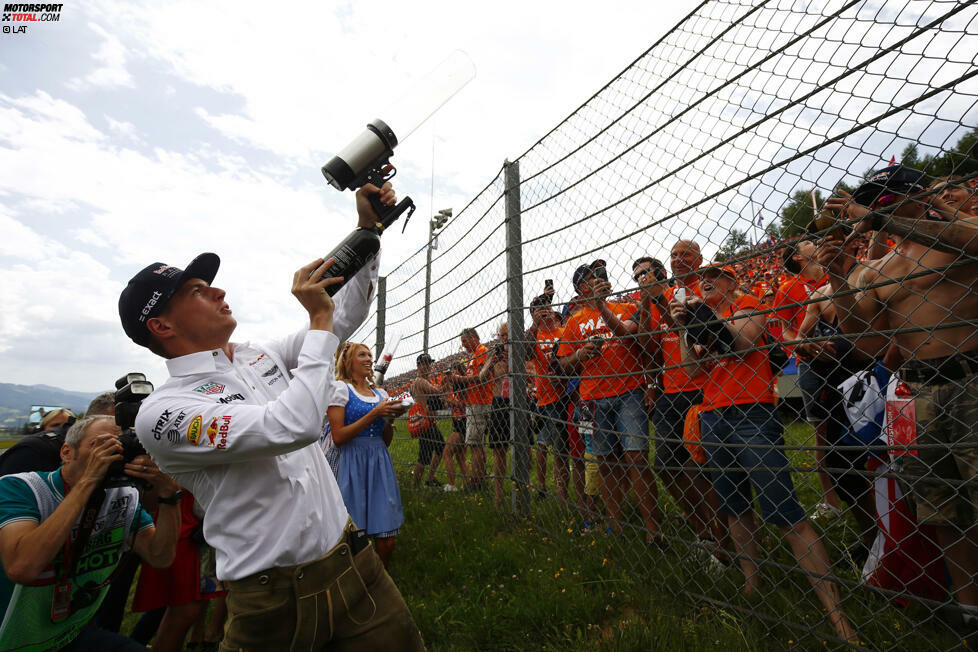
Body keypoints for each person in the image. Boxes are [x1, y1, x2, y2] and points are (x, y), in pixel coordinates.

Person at [121, 183, 424, 650]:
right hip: (272, 599)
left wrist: (367, 232)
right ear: (162, 326)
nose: (219, 289)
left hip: (352, 560)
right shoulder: (162, 413)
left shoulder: (256, 355)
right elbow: (291, 426)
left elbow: (341, 317)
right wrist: (320, 325)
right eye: (198, 291)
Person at [819, 164, 978, 625]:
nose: (880, 207)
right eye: (876, 202)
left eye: (889, 198)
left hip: (971, 376)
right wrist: (836, 277)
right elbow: (866, 342)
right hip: (913, 390)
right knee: (937, 505)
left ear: (920, 193)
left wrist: (883, 218)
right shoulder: (880, 267)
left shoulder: (958, 232)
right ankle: (971, 610)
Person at [670, 264, 855, 642]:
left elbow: (739, 342)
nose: (705, 280)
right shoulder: (705, 319)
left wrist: (700, 317)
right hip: (713, 416)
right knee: (735, 509)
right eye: (701, 277)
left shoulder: (749, 305)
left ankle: (837, 615)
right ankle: (752, 590)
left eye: (715, 275)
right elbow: (692, 372)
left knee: (786, 513)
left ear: (732, 283)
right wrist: (683, 329)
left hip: (752, 413)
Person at [0, 414, 181, 651]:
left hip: (69, 634)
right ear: (66, 453)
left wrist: (169, 496)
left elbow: (160, 557)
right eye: (101, 445)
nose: (112, 454)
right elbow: (23, 567)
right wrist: (87, 483)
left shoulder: (122, 496)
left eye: (120, 446)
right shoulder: (21, 488)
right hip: (11, 638)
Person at [557, 260, 662, 544]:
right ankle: (616, 524)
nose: (600, 279)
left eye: (601, 275)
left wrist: (650, 385)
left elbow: (645, 348)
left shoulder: (627, 308)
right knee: (605, 463)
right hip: (591, 399)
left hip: (630, 392)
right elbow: (563, 364)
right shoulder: (574, 322)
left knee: (637, 458)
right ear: (581, 288)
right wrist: (579, 356)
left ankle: (653, 528)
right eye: (593, 277)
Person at [634, 246, 728, 561]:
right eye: (673, 255)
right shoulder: (665, 295)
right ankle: (702, 530)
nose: (678, 259)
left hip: (705, 388)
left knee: (705, 468)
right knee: (664, 464)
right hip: (671, 392)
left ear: (699, 260)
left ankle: (723, 540)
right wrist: (650, 300)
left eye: (686, 254)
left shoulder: (709, 291)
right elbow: (649, 347)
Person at [327, 342, 407, 569]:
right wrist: (375, 413)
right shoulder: (340, 389)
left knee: (387, 539)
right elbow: (339, 437)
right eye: (362, 354)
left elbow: (385, 441)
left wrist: (390, 418)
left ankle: (380, 582)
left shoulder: (380, 393)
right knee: (352, 536)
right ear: (347, 360)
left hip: (378, 462)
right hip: (349, 462)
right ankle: (351, 584)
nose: (369, 359)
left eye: (370, 355)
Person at [530, 295, 570, 500]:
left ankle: (562, 495)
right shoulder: (533, 335)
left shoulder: (563, 331)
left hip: (565, 397)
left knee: (562, 450)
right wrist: (535, 324)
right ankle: (542, 487)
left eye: (546, 307)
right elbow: (525, 352)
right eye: (538, 309)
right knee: (543, 445)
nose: (544, 311)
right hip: (544, 399)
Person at [448, 328, 494, 491]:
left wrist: (460, 379)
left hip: (480, 403)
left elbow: (482, 377)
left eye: (465, 341)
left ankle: (476, 482)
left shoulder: (482, 352)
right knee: (478, 444)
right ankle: (481, 477)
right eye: (462, 343)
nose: (464, 345)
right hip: (474, 403)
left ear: (474, 338)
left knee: (474, 444)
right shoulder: (473, 356)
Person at [479, 322, 512, 506]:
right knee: (499, 450)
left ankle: (523, 485)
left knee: (523, 446)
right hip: (500, 402)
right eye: (502, 335)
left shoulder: (520, 351)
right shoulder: (495, 353)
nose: (504, 338)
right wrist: (493, 361)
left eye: (506, 335)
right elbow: (482, 376)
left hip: (518, 400)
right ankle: (499, 494)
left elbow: (532, 372)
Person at [0, 407, 80, 476]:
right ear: (41, 429)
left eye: (68, 427)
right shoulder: (28, 452)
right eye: (55, 425)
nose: (61, 430)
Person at [409, 353, 448, 491]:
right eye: (425, 363)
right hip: (426, 422)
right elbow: (437, 392)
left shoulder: (418, 382)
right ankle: (419, 484)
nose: (429, 366)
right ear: (419, 365)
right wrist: (448, 381)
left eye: (429, 363)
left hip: (427, 421)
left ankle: (424, 481)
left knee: (433, 451)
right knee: (427, 454)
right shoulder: (421, 381)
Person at [442, 362, 470, 492]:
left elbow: (463, 404)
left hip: (462, 422)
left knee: (447, 453)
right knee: (460, 457)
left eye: (454, 372)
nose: (451, 375)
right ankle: (467, 484)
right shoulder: (456, 387)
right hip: (459, 421)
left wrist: (449, 400)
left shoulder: (463, 385)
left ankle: (451, 484)